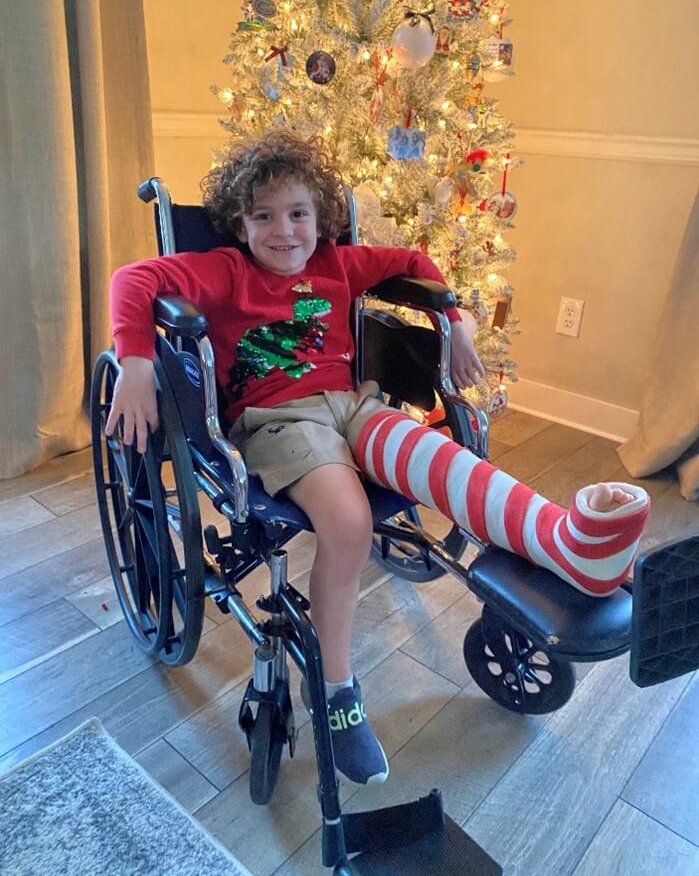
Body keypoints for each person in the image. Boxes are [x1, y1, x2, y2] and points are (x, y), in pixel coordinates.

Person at [107, 132, 650, 786]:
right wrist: (137, 363)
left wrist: (457, 325)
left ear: (321, 217)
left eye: (298, 213)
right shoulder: (225, 271)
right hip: (278, 421)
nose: (284, 231)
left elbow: (417, 261)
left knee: (440, 456)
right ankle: (336, 692)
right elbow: (133, 278)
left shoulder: (337, 264)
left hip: (350, 405)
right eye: (263, 216)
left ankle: (569, 543)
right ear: (239, 224)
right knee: (349, 523)